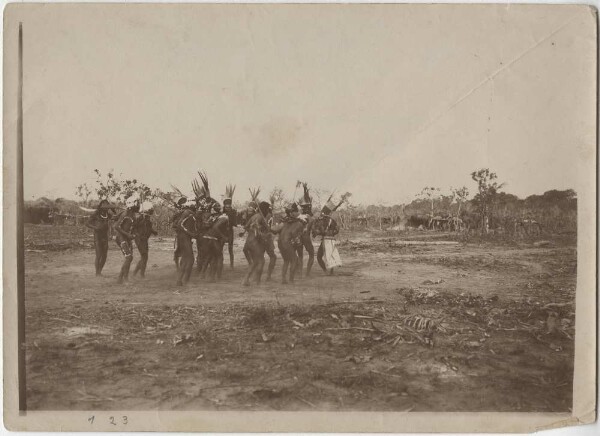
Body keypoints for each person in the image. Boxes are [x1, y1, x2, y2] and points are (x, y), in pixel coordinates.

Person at [242, 201, 272, 286]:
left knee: (254, 262)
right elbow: (267, 230)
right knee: (261, 261)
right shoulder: (262, 218)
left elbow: (246, 227)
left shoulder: (253, 216)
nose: (267, 211)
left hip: (248, 243)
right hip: (255, 243)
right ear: (265, 210)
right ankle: (256, 281)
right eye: (267, 210)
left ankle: (247, 279)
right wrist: (262, 233)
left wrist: (253, 230)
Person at [114, 194, 140, 284]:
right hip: (121, 237)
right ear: (132, 204)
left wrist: (134, 234)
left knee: (129, 258)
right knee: (129, 257)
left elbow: (133, 227)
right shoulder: (125, 214)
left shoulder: (132, 215)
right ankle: (124, 279)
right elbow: (116, 226)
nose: (138, 205)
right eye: (137, 203)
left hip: (126, 238)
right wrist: (128, 235)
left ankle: (120, 279)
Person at [85, 199, 115, 276]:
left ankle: (99, 271)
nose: (106, 207)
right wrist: (95, 227)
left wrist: (113, 209)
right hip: (97, 236)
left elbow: (116, 217)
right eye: (104, 205)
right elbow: (87, 223)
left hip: (105, 236)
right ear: (101, 206)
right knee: (99, 255)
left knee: (105, 256)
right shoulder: (96, 214)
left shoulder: (108, 214)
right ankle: (97, 273)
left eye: (107, 205)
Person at [312, 200, 341, 275]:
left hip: (325, 240)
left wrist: (316, 233)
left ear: (324, 212)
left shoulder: (322, 220)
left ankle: (325, 271)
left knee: (319, 257)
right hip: (332, 240)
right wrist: (332, 234)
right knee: (330, 255)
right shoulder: (332, 220)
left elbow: (320, 231)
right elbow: (337, 230)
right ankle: (331, 272)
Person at [175, 199, 198, 286]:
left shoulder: (188, 212)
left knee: (185, 259)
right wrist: (190, 233)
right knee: (190, 259)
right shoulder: (187, 213)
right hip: (184, 238)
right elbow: (180, 224)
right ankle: (186, 281)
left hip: (184, 238)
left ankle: (179, 280)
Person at [132, 201, 158, 278]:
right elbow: (134, 228)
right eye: (150, 210)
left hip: (144, 239)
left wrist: (153, 232)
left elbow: (148, 228)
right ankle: (141, 274)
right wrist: (138, 235)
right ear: (146, 210)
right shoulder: (140, 218)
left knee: (144, 257)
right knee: (144, 256)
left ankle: (135, 272)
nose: (152, 211)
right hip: (139, 239)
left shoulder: (147, 219)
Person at [171, 196, 188, 270]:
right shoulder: (178, 212)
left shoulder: (187, 211)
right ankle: (178, 266)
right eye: (181, 202)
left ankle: (182, 265)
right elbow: (173, 222)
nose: (183, 204)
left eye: (184, 202)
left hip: (187, 233)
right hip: (180, 233)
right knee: (179, 248)